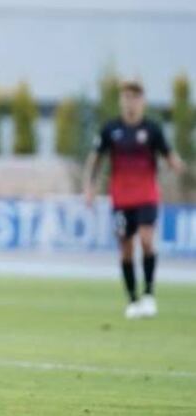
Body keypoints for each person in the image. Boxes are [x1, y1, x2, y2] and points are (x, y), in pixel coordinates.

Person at [84, 79, 185, 319]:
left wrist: (177, 165)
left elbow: (169, 154)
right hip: (120, 198)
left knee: (147, 239)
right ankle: (132, 299)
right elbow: (95, 159)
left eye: (135, 98)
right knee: (126, 249)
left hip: (147, 195)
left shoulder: (152, 129)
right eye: (127, 97)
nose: (131, 102)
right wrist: (89, 186)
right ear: (122, 100)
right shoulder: (111, 129)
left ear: (143, 102)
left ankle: (149, 295)